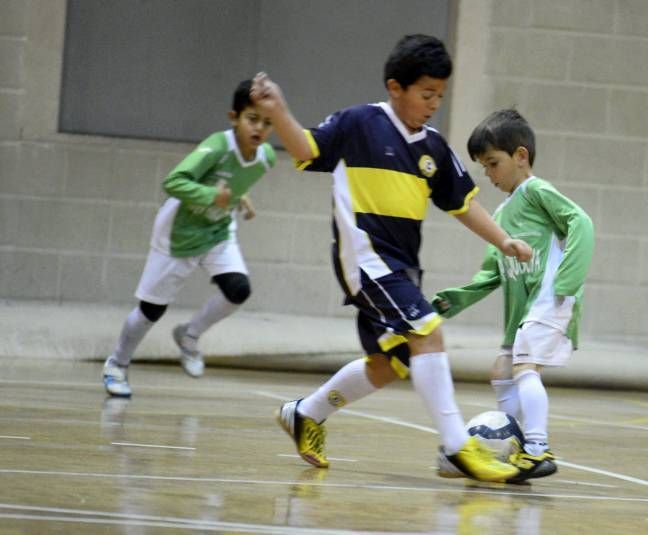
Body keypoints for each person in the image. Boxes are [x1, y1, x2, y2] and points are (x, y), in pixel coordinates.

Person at [250, 34, 534, 483]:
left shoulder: (435, 148)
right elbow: (306, 150)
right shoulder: (358, 124)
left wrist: (504, 241)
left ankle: (307, 414)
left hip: (399, 270)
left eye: (440, 95)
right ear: (395, 87)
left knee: (394, 362)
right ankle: (460, 447)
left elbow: (463, 203)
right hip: (364, 260)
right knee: (428, 332)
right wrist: (278, 110)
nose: (434, 103)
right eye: (426, 94)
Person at [432, 109, 595, 483]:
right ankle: (519, 444)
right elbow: (491, 273)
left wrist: (566, 285)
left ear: (520, 156)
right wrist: (452, 300)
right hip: (522, 312)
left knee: (523, 369)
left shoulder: (537, 191)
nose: (488, 174)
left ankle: (537, 449)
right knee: (502, 371)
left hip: (548, 299)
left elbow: (581, 223)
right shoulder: (503, 213)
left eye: (493, 163)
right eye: (483, 167)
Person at [101, 78, 276, 398]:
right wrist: (212, 195)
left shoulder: (266, 157)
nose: (259, 129)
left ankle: (190, 336)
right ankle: (117, 363)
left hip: (219, 229)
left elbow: (236, 177)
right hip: (179, 233)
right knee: (151, 310)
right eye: (252, 119)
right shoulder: (218, 145)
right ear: (234, 118)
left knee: (238, 289)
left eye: (267, 123)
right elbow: (173, 182)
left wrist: (241, 196)